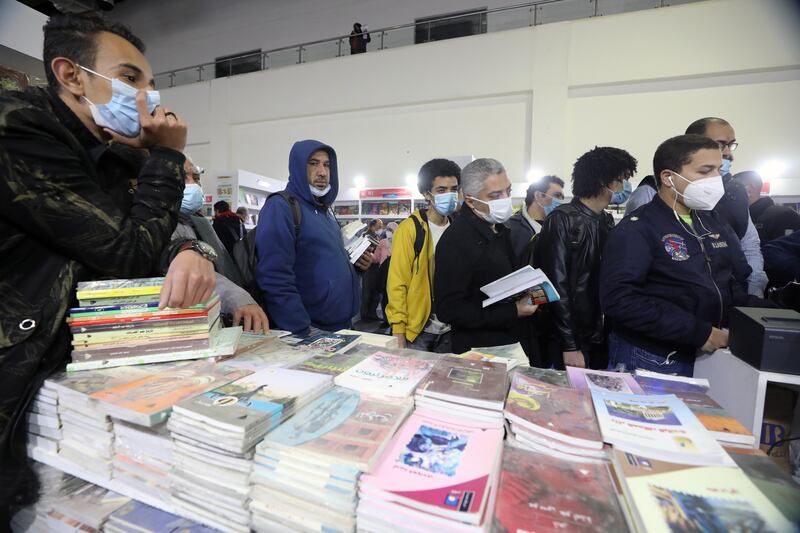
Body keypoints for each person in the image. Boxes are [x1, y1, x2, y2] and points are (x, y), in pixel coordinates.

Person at [0, 13, 215, 513]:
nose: (148, 98)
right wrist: (163, 158)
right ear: (71, 75)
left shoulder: (102, 149)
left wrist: (189, 248)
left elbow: (136, 232)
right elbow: (126, 254)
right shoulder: (19, 130)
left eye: (152, 84)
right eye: (129, 79)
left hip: (70, 368)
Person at [601, 135, 760, 376]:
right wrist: (699, 332)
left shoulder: (712, 222)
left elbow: (728, 285)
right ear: (668, 178)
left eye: (718, 170)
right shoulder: (638, 227)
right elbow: (621, 299)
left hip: (710, 352)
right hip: (655, 357)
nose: (716, 179)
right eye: (705, 171)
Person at [535, 146, 638, 369]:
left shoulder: (606, 221)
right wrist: (570, 344)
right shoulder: (562, 220)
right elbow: (556, 286)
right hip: (571, 337)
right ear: (602, 181)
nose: (624, 187)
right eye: (620, 179)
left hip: (599, 333)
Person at [255, 140, 373, 334]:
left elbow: (323, 264)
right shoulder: (281, 207)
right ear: (298, 166)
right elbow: (274, 277)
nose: (322, 172)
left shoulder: (325, 211)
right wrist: (301, 330)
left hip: (341, 326)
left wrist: (356, 267)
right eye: (313, 163)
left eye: (327, 165)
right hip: (310, 330)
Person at [434, 158, 538, 354]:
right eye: (495, 195)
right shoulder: (455, 241)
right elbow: (449, 309)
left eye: (508, 191)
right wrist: (514, 310)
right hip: (478, 349)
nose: (505, 199)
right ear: (471, 200)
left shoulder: (500, 228)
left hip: (510, 340)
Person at [176, 158, 269, 332]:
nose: (193, 184)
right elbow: (198, 275)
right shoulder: (162, 225)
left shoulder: (199, 221)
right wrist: (238, 299)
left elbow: (222, 263)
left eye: (196, 178)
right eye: (183, 178)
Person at [685, 117, 768, 297]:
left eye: (731, 145)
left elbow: (749, 244)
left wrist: (754, 289)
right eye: (721, 144)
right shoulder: (668, 194)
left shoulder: (735, 191)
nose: (728, 153)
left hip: (733, 295)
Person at [388, 158, 461, 351]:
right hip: (418, 332)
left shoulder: (459, 228)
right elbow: (397, 283)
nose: (450, 195)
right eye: (441, 190)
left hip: (451, 330)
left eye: (454, 189)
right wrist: (398, 331)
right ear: (427, 194)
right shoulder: (410, 229)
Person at [508, 175, 565, 262]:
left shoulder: (559, 230)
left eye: (562, 198)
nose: (560, 201)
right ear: (538, 195)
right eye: (557, 195)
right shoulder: (511, 228)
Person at [735, 170, 800, 243]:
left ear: (749, 189)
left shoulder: (784, 215)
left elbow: (787, 250)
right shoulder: (740, 218)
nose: (729, 195)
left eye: (734, 190)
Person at [361, 218, 385, 320]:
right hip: (369, 267)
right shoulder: (367, 235)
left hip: (375, 266)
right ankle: (367, 314)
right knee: (368, 291)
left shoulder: (376, 235)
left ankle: (371, 313)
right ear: (373, 225)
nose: (381, 227)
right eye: (379, 225)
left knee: (375, 291)